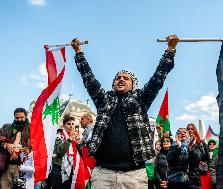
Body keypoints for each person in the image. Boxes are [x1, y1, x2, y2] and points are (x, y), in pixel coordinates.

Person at [71, 34, 179, 189]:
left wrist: (170, 50)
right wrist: (78, 53)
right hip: (103, 174)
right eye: (118, 78)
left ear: (133, 84)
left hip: (134, 176)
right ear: (113, 83)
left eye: (126, 78)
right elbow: (88, 78)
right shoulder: (104, 99)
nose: (121, 79)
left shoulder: (141, 98)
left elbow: (158, 78)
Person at [0, 108, 31, 189]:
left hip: (24, 167)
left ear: (26, 116)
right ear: (14, 117)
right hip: (7, 166)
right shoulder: (7, 128)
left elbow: (38, 146)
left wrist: (29, 150)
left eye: (21, 117)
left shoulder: (32, 129)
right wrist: (6, 145)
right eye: (17, 118)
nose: (19, 119)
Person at [49, 115, 80, 189]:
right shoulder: (58, 136)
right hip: (59, 168)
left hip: (72, 168)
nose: (71, 126)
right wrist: (69, 139)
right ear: (64, 125)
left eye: (73, 124)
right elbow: (60, 152)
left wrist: (79, 143)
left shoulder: (77, 138)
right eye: (68, 124)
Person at [187, 123, 210, 189]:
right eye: (188, 129)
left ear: (195, 130)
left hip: (202, 175)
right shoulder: (184, 144)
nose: (190, 130)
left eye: (192, 129)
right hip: (190, 176)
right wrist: (190, 145)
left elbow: (208, 160)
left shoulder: (202, 144)